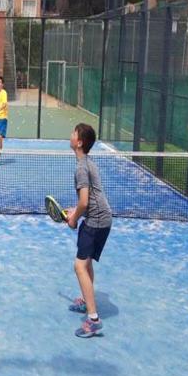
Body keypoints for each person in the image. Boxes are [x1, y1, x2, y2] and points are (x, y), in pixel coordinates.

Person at [65, 123, 112, 338]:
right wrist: (76, 211)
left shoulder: (81, 168)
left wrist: (74, 218)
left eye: (74, 133)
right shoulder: (88, 163)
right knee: (87, 262)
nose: (71, 135)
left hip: (95, 220)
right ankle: (86, 301)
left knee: (79, 266)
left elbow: (84, 201)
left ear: (79, 142)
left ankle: (93, 319)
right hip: (103, 218)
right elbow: (89, 199)